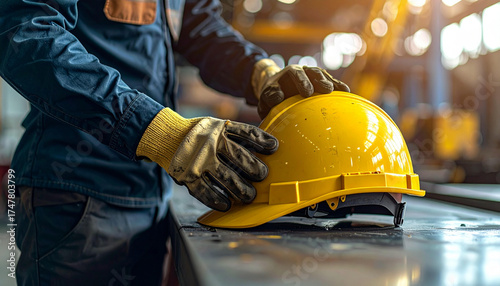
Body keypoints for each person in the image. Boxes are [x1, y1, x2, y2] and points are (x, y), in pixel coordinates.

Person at [0, 0, 349, 285]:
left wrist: (260, 72)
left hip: (151, 192)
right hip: (78, 195)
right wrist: (158, 130)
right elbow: (25, 32)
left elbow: (197, 27)